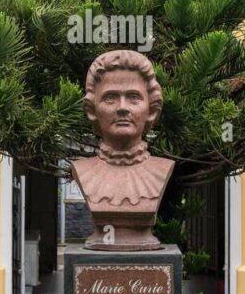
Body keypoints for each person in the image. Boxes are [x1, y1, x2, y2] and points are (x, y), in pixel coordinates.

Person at [70, 50, 175, 251]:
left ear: (151, 109)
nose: (123, 108)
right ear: (92, 110)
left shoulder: (164, 169)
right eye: (110, 98)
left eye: (133, 97)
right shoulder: (81, 170)